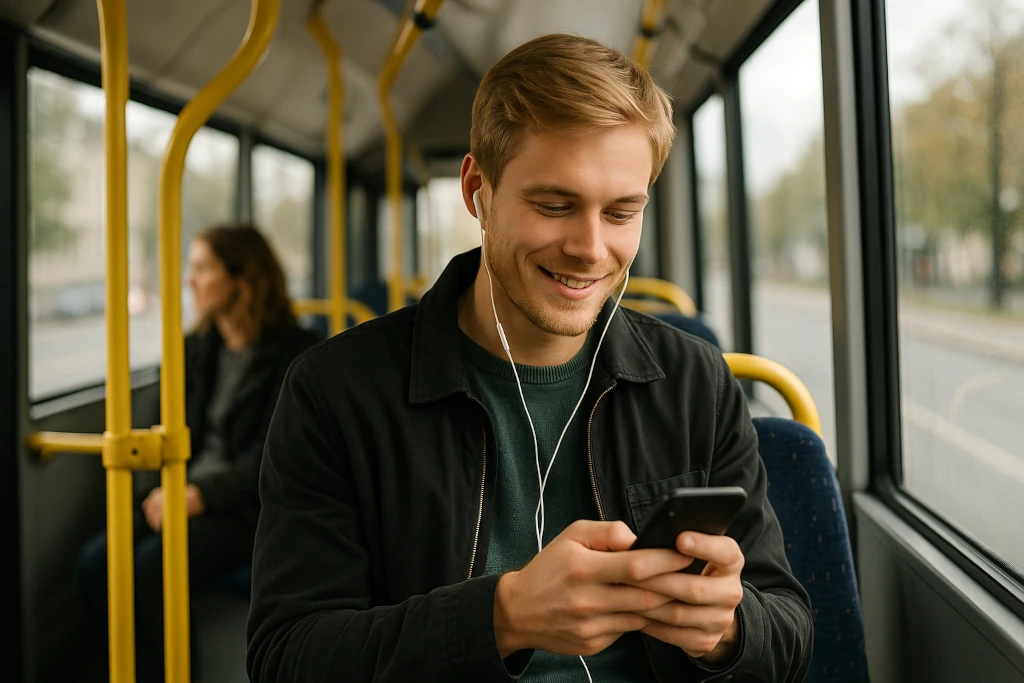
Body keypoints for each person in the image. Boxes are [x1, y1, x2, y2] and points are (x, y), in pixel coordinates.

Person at [247, 34, 813, 683]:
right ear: (477, 190)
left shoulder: (694, 381)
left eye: (621, 213)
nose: (591, 248)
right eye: (554, 206)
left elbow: (789, 632)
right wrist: (502, 617)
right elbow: (287, 657)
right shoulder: (336, 392)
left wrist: (727, 633)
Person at [76, 223, 320, 683]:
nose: (190, 281)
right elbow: (172, 432)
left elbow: (274, 452)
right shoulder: (196, 350)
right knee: (95, 561)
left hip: (248, 506)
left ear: (242, 279)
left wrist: (200, 495)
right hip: (183, 492)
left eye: (203, 268)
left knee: (151, 570)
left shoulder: (297, 354)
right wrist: (167, 492)